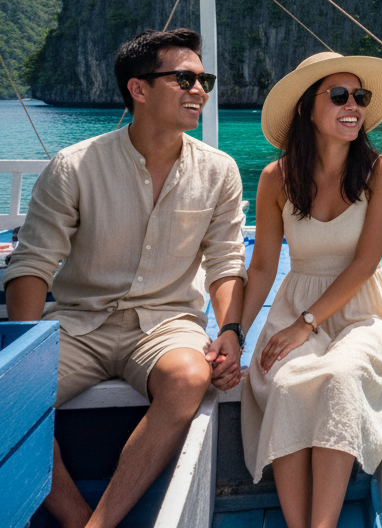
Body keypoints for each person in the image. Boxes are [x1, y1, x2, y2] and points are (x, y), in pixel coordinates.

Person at [4, 28, 247, 528]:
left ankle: (101, 522)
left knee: (189, 377)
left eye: (204, 81)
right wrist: (26, 352)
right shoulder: (74, 167)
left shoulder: (219, 171)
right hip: (79, 322)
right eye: (185, 79)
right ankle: (78, 518)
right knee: (8, 393)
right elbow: (33, 264)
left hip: (165, 324)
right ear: (139, 89)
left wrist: (230, 331)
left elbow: (225, 262)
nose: (199, 91)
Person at [240, 51, 382, 528]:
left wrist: (306, 325)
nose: (353, 106)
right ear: (306, 108)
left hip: (365, 310)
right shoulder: (276, 179)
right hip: (297, 304)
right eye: (339, 95)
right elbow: (262, 266)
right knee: (285, 383)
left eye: (360, 96)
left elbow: (365, 264)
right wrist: (232, 332)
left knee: (341, 375)